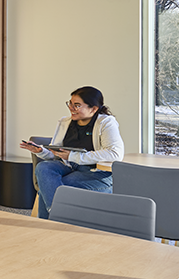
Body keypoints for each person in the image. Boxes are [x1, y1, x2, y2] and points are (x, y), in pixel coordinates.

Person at [20, 86, 124, 219]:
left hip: (95, 174)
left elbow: (114, 154)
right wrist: (41, 151)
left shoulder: (106, 123)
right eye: (70, 103)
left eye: (77, 105)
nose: (71, 108)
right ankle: (58, 213)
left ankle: (50, 219)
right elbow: (56, 154)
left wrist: (74, 156)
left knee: (51, 187)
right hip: (69, 167)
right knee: (43, 167)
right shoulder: (65, 122)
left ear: (93, 108)